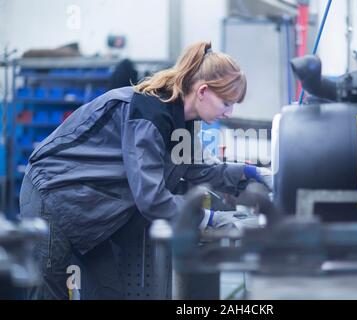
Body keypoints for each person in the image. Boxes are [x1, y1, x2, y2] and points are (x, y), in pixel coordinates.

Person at [19, 42, 271, 300]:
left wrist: (252, 175)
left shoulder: (182, 120)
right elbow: (152, 199)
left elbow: (200, 168)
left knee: (109, 294)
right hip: (51, 196)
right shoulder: (149, 113)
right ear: (203, 91)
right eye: (227, 103)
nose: (229, 113)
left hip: (89, 209)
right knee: (48, 292)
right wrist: (208, 219)